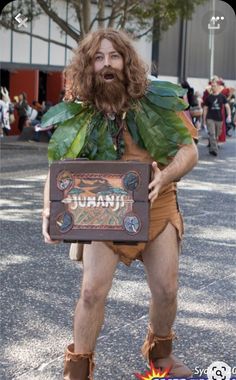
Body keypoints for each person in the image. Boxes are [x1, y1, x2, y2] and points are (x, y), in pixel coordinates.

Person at [41, 28, 198, 380]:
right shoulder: (80, 108)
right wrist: (50, 210)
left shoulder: (156, 98)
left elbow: (190, 150)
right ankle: (78, 369)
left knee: (166, 289)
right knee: (92, 291)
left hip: (155, 204)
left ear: (127, 60)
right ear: (88, 65)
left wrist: (166, 174)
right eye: (98, 58)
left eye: (114, 56)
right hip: (104, 209)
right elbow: (59, 166)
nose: (106, 64)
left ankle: (161, 357)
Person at [203, 78, 231, 156]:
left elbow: (227, 106)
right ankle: (215, 150)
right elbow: (205, 109)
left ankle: (212, 149)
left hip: (219, 119)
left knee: (217, 134)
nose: (213, 87)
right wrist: (204, 120)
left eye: (214, 86)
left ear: (218, 87)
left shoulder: (222, 97)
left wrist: (229, 116)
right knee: (212, 134)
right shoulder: (208, 98)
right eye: (212, 86)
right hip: (210, 118)